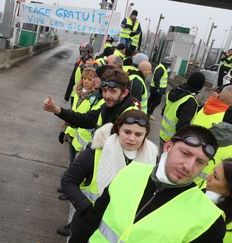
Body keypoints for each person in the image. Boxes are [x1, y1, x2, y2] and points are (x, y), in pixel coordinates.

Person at [81, 125, 225, 242]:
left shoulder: (209, 220)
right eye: (185, 153)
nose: (188, 166)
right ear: (168, 147)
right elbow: (92, 220)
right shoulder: (130, 171)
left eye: (199, 162)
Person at [60, 110, 157, 240]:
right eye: (127, 132)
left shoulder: (152, 161)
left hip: (119, 232)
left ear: (146, 135)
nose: (132, 138)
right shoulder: (95, 154)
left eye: (138, 134)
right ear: (118, 129)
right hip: (87, 225)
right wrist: (86, 208)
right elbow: (68, 181)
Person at [44, 67, 139, 134]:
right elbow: (84, 120)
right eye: (105, 91)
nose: (107, 96)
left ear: (125, 93)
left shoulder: (131, 116)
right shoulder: (108, 107)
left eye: (113, 91)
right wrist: (55, 109)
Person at [159, 72, 206, 152]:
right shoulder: (190, 101)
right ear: (200, 87)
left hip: (163, 135)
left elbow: (165, 111)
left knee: (161, 161)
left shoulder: (174, 92)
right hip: (174, 141)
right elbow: (182, 126)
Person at [205, 158, 232, 242]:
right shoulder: (199, 193)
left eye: (215, 177)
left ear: (229, 192)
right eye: (213, 171)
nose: (208, 177)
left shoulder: (218, 227)